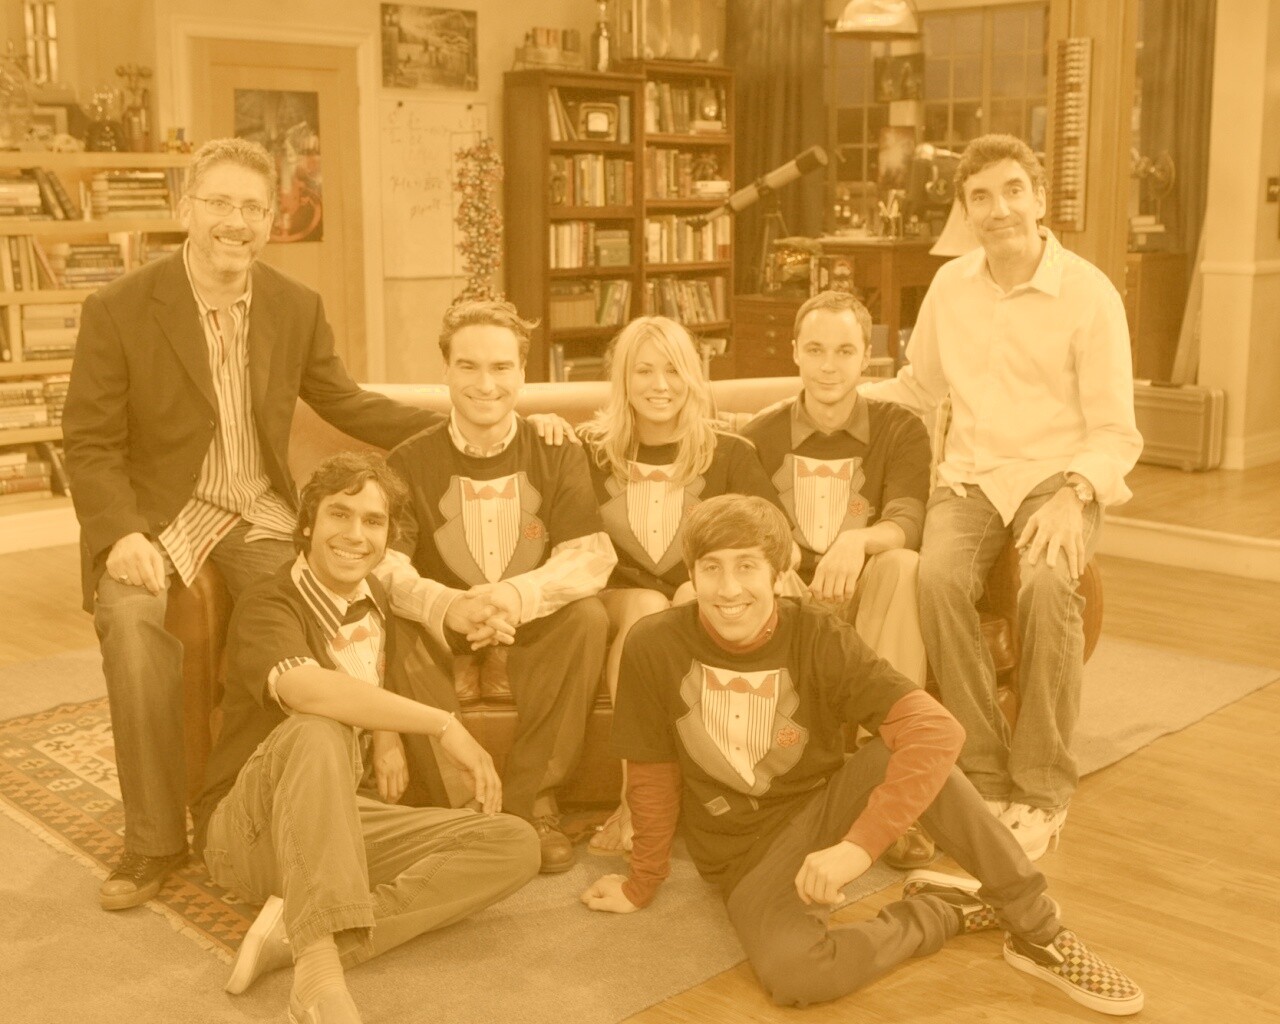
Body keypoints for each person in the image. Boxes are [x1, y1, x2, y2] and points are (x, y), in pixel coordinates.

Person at [61, 138, 444, 913]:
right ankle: (154, 840)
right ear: (186, 209)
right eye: (220, 203)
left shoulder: (293, 306)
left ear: (272, 221)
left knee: (318, 610)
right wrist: (120, 535)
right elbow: (90, 442)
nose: (236, 222)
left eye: (253, 208)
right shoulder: (119, 309)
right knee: (132, 624)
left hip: (258, 508)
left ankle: (273, 804)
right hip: (158, 515)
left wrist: (453, 429)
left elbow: (345, 401)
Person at [580, 495, 1143, 1017]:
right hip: (744, 857)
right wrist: (641, 881)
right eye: (711, 568)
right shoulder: (653, 643)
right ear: (692, 573)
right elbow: (652, 774)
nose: (729, 589)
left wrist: (858, 848)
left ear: (779, 573)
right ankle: (945, 910)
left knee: (921, 753)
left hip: (826, 808)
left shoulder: (817, 634)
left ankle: (1038, 930)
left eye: (747, 566)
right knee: (797, 975)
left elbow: (937, 730)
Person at [860, 134, 1142, 859]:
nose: (999, 209)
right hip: (973, 477)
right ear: (966, 211)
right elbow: (918, 388)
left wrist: (1075, 495)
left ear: (1039, 199)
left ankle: (1044, 789)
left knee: (1047, 585)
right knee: (936, 579)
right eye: (980, 197)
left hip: (1060, 476)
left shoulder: (1089, 294)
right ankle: (983, 772)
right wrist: (830, 399)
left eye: (1013, 190)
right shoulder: (950, 288)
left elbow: (1116, 431)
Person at [193, 452, 539, 1024]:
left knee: (513, 843)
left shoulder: (376, 594)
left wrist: (385, 735)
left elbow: (378, 667)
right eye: (339, 514)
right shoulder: (267, 600)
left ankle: (299, 938)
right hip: (247, 831)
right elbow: (308, 688)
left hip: (336, 822)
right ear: (308, 523)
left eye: (373, 521)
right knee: (316, 727)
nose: (356, 534)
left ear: (387, 538)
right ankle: (318, 981)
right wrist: (443, 724)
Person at [380, 299, 617, 873]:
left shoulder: (557, 449)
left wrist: (514, 597)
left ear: (523, 372)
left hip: (529, 621)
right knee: (392, 620)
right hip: (445, 628)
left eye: (501, 367)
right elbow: (386, 565)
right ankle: (463, 812)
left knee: (587, 617)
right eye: (468, 366)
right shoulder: (408, 459)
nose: (485, 384)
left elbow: (589, 555)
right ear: (445, 369)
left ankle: (533, 804)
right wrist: (447, 605)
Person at [576, 315, 783, 854]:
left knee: (695, 599)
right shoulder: (587, 450)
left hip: (698, 595)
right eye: (644, 370)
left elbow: (774, 540)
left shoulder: (729, 452)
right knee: (647, 610)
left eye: (672, 369)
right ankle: (636, 801)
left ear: (692, 375)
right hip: (620, 598)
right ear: (623, 379)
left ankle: (716, 796)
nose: (660, 385)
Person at [743, 290, 932, 688]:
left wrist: (856, 541)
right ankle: (788, 714)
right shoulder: (758, 436)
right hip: (789, 592)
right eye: (815, 350)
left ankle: (892, 717)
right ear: (796, 352)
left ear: (866, 357)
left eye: (844, 351)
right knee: (760, 568)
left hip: (866, 590)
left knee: (903, 563)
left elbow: (908, 521)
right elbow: (747, 527)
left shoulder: (901, 428)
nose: (828, 366)